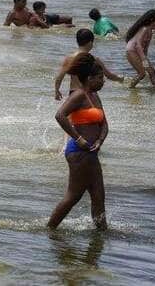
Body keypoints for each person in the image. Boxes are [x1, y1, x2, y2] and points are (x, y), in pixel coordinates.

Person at [47, 53, 108, 230]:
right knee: (73, 196)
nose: (103, 82)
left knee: (98, 196)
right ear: (89, 78)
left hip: (91, 153)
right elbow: (60, 115)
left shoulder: (95, 96)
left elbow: (104, 124)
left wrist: (100, 140)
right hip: (79, 153)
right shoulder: (79, 95)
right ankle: (50, 229)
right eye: (100, 78)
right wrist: (78, 138)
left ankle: (101, 233)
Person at [54, 29, 123, 100]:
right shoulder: (94, 59)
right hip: (89, 93)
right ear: (90, 42)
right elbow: (109, 75)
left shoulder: (69, 58)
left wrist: (57, 90)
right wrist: (120, 79)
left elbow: (59, 77)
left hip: (73, 93)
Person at [123, 10, 155, 88]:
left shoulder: (150, 31)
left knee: (152, 71)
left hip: (138, 53)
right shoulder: (145, 29)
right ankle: (130, 87)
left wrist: (146, 59)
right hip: (131, 51)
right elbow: (138, 45)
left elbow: (145, 48)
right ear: (152, 20)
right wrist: (143, 58)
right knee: (142, 74)